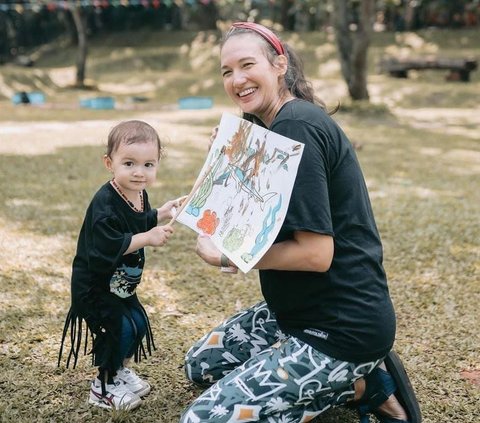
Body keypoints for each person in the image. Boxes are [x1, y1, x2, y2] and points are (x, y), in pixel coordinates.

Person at [181, 22, 422, 423]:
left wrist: (227, 259)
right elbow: (250, 213)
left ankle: (367, 383)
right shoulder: (268, 129)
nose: (236, 79)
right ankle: (352, 375)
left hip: (342, 328)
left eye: (246, 65)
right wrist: (220, 163)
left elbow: (315, 255)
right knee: (200, 365)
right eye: (227, 71)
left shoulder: (297, 127)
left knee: (202, 419)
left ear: (279, 64)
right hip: (293, 312)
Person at [58, 120, 182, 410]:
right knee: (120, 329)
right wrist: (147, 238)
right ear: (109, 162)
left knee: (137, 325)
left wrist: (160, 213)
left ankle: (119, 370)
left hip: (121, 285)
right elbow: (108, 246)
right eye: (129, 163)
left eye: (148, 164)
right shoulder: (104, 205)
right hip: (96, 286)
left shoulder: (137, 192)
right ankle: (102, 385)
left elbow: (138, 220)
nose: (139, 172)